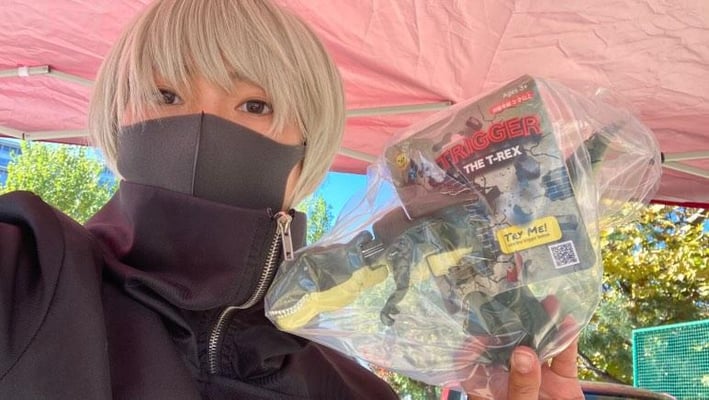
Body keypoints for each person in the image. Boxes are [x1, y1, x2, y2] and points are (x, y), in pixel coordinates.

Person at [0, 0, 583, 398]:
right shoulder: (26, 275)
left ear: (305, 154)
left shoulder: (356, 390)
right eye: (165, 94)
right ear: (116, 123)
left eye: (255, 105)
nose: (200, 128)